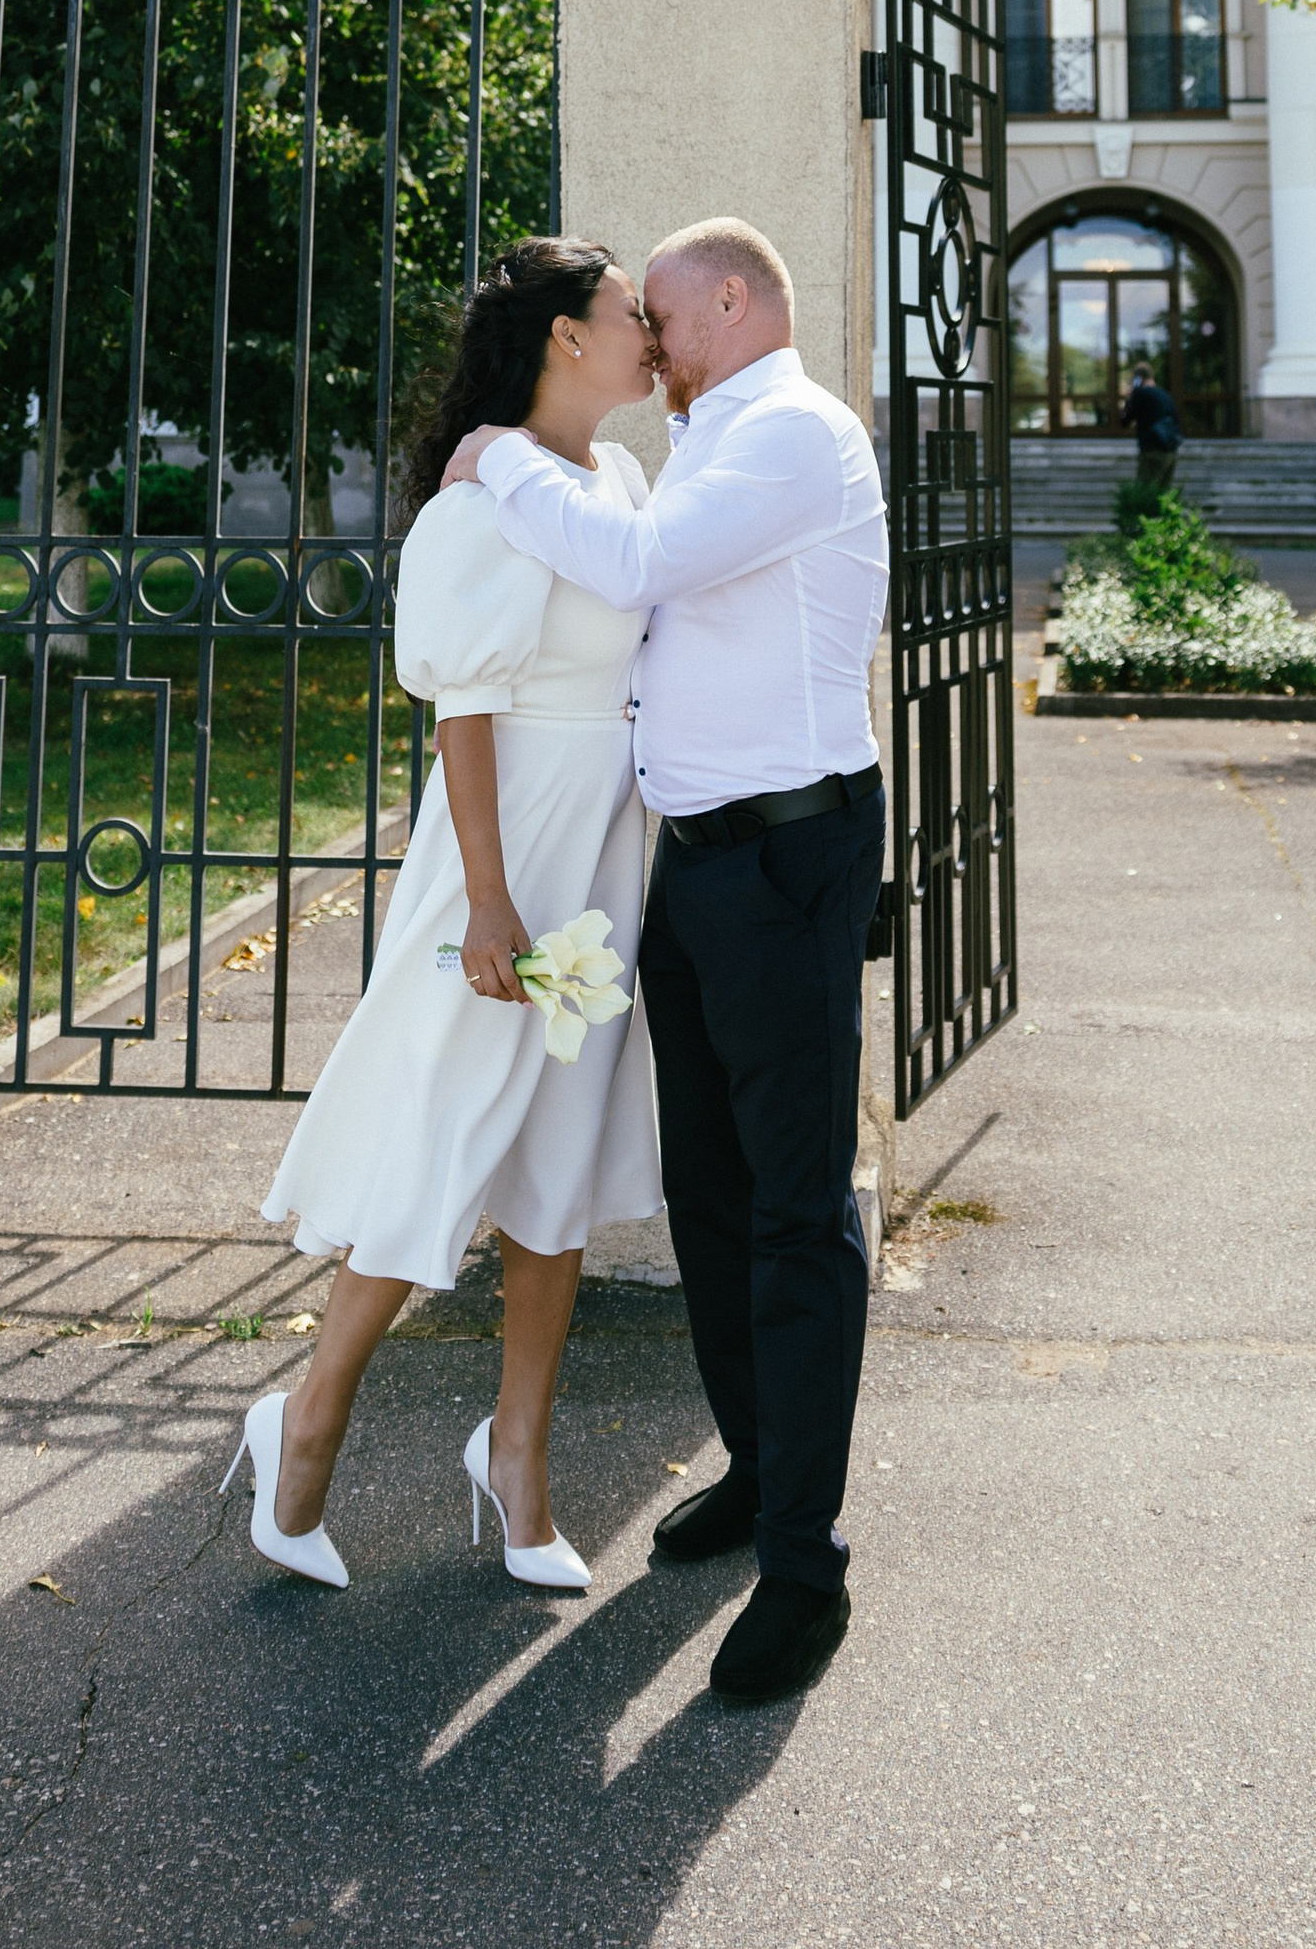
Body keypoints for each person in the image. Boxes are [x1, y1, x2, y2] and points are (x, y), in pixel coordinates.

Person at [445, 212, 888, 1711]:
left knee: (791, 1213)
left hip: (786, 859)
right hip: (695, 868)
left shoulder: (791, 435)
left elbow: (630, 572)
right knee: (706, 1188)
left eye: (667, 315)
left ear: (737, 300)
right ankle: (756, 1470)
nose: (650, 339)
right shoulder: (709, 436)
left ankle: (806, 1567)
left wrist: (496, 453)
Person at [229, 239, 665, 1594]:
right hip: (511, 849)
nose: (650, 333)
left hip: (606, 847)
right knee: (444, 1143)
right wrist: (489, 898)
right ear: (561, 340)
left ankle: (518, 1464)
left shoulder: (621, 477)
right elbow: (460, 712)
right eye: (626, 315)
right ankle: (304, 1424)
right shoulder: (481, 504)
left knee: (558, 1164)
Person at [1119, 360, 1179, 468]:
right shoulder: (1165, 395)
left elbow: (1125, 421)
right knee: (1163, 485)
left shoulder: (1140, 394)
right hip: (1170, 450)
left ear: (1138, 378)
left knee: (1146, 484)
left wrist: (1129, 399)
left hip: (1151, 450)